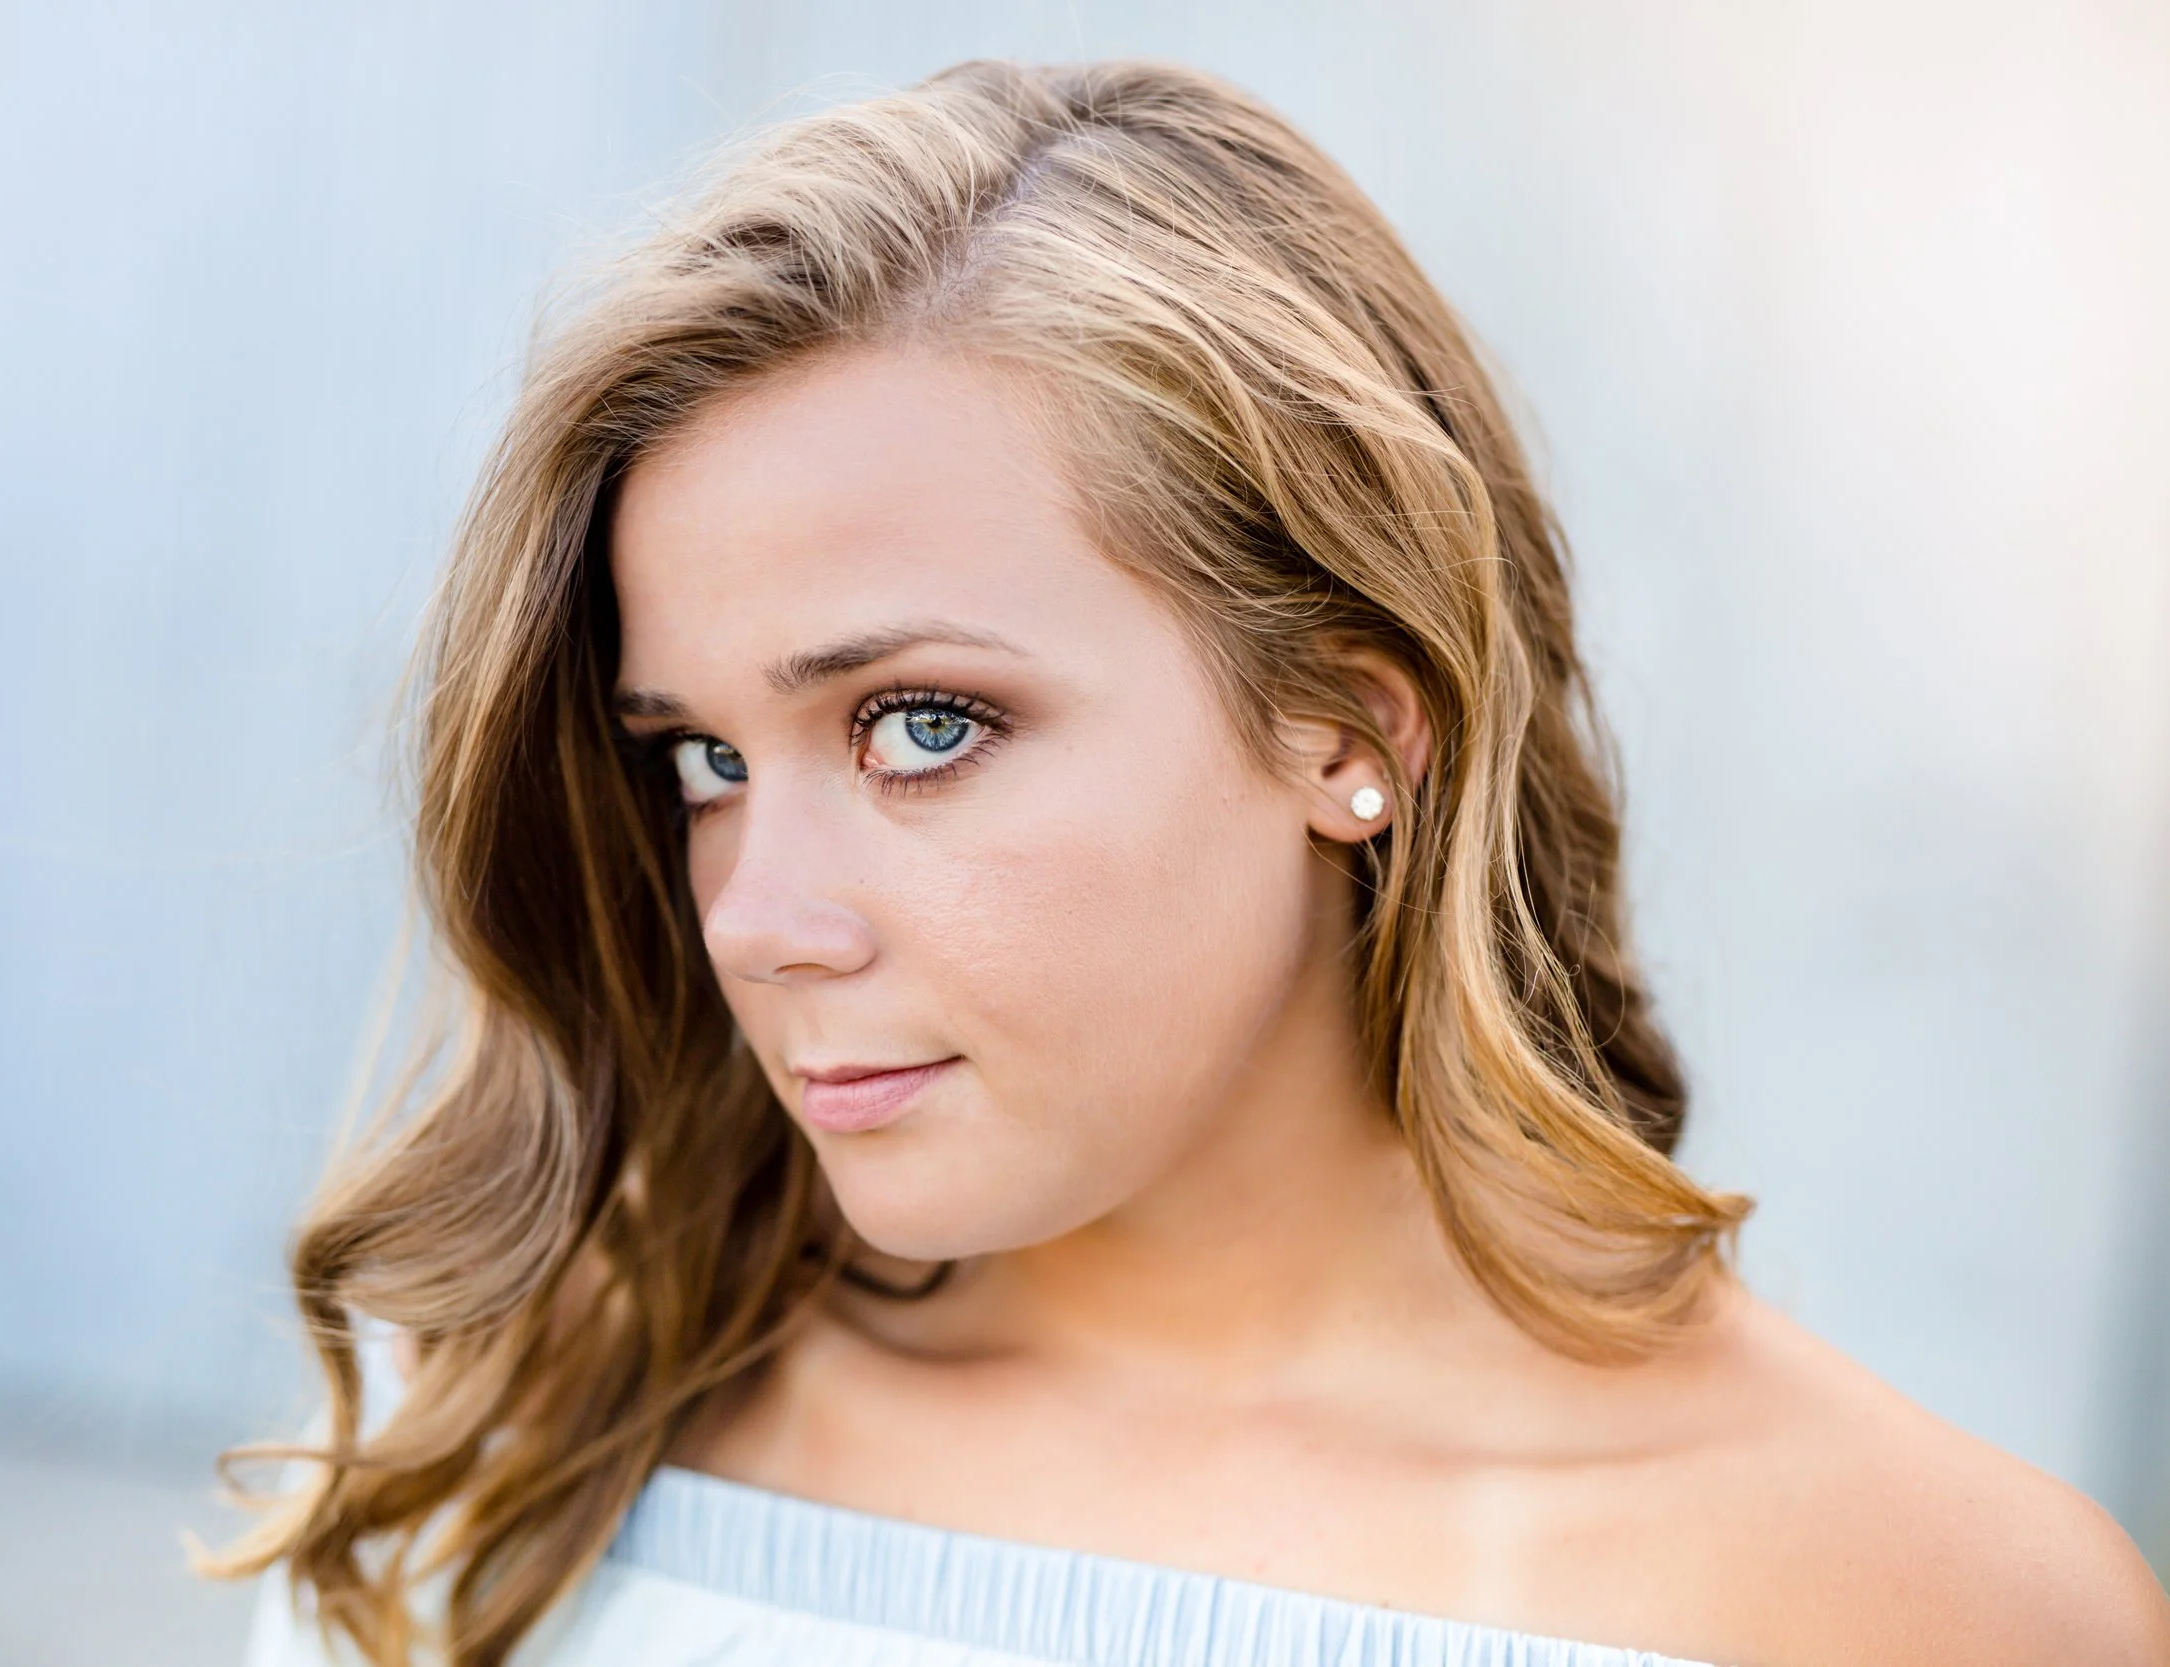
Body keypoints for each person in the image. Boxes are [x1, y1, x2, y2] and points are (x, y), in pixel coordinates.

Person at [217, 57, 2170, 1667]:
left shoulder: (1924, 1604)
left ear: (1346, 728)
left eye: (919, 724)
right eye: (706, 758)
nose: (756, 918)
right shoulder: (511, 1420)